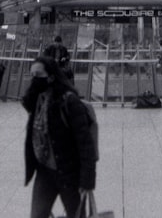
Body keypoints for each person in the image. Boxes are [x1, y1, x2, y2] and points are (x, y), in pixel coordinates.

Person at [22, 55, 97, 218]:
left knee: (76, 214)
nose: (34, 80)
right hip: (45, 172)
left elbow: (85, 143)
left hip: (69, 174)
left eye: (38, 75)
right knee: (37, 215)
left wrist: (87, 180)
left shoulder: (69, 102)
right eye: (32, 75)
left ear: (51, 77)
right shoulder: (37, 100)